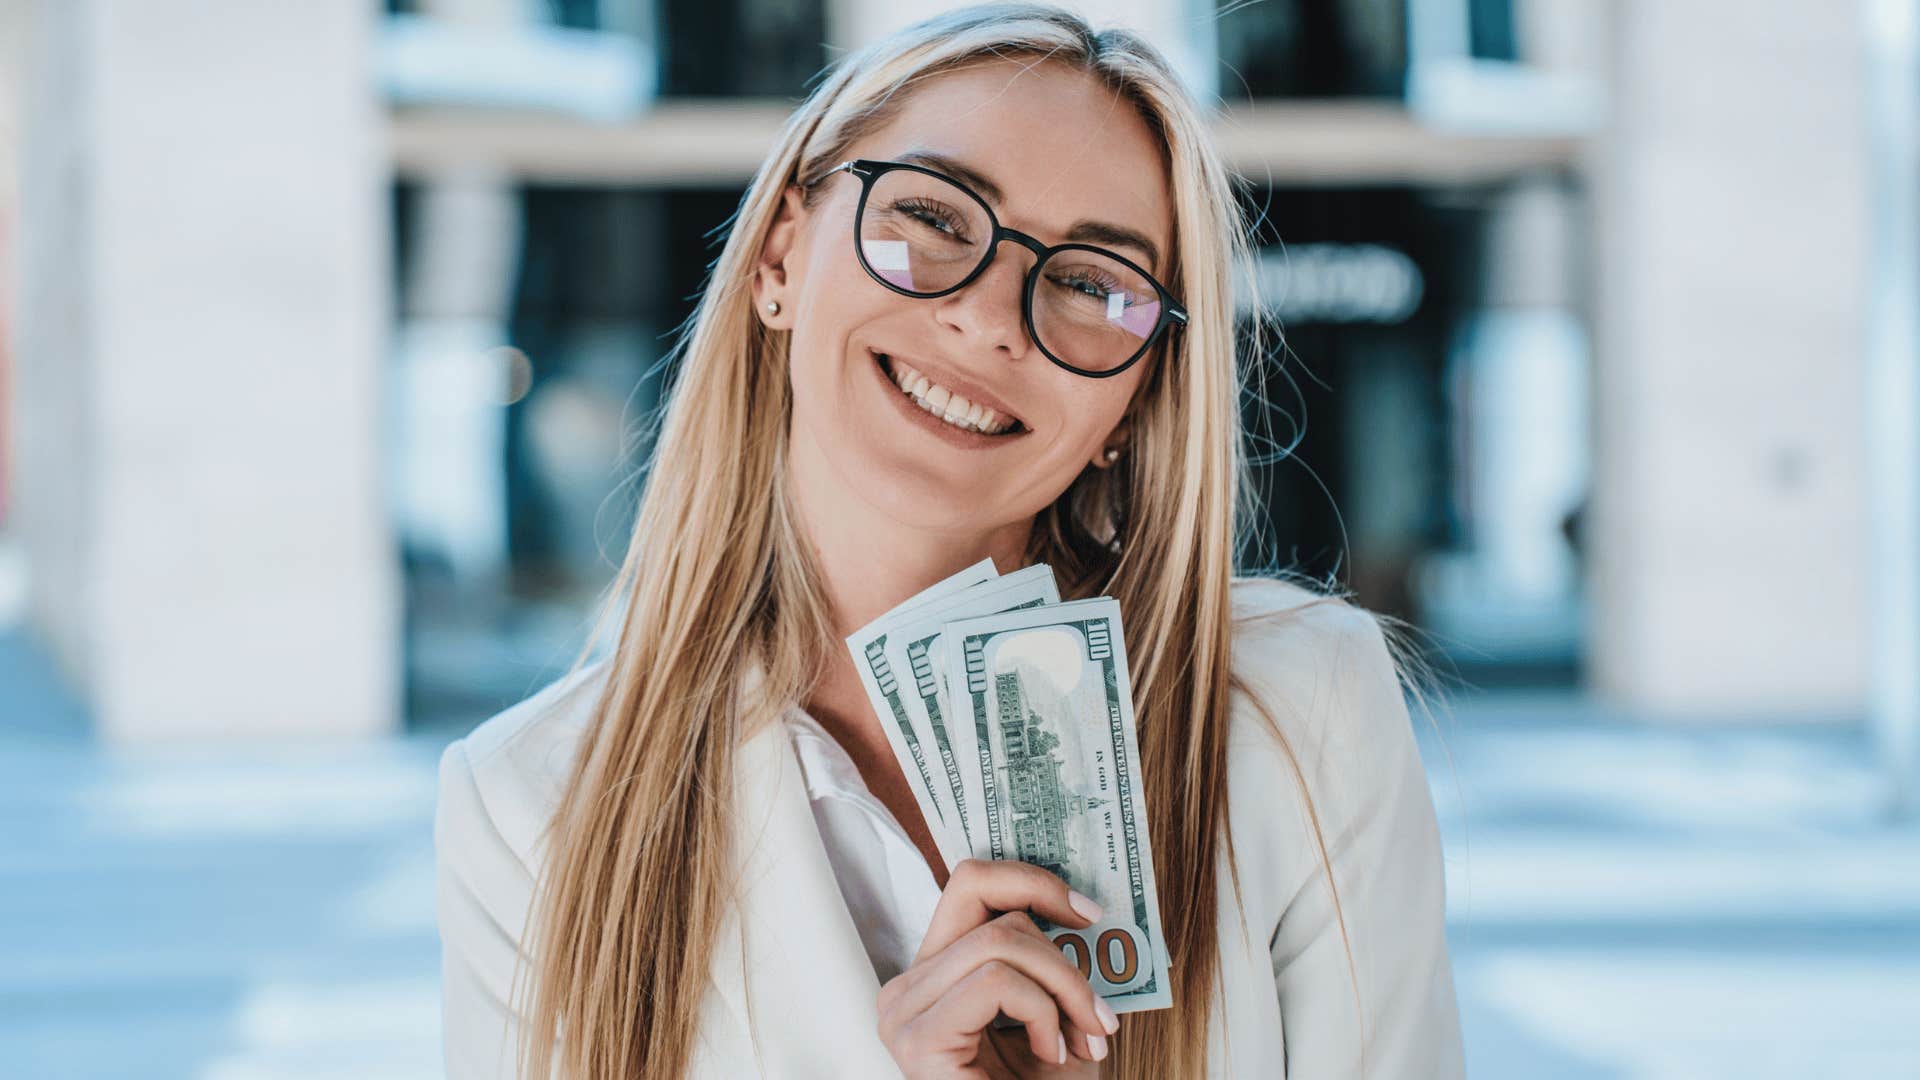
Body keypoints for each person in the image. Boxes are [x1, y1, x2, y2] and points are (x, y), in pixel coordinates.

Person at [432, 4, 1465, 1077]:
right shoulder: (531, 808)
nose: (989, 320)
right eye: (931, 216)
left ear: (1136, 396)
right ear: (781, 256)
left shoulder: (1304, 712)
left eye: (1089, 283)